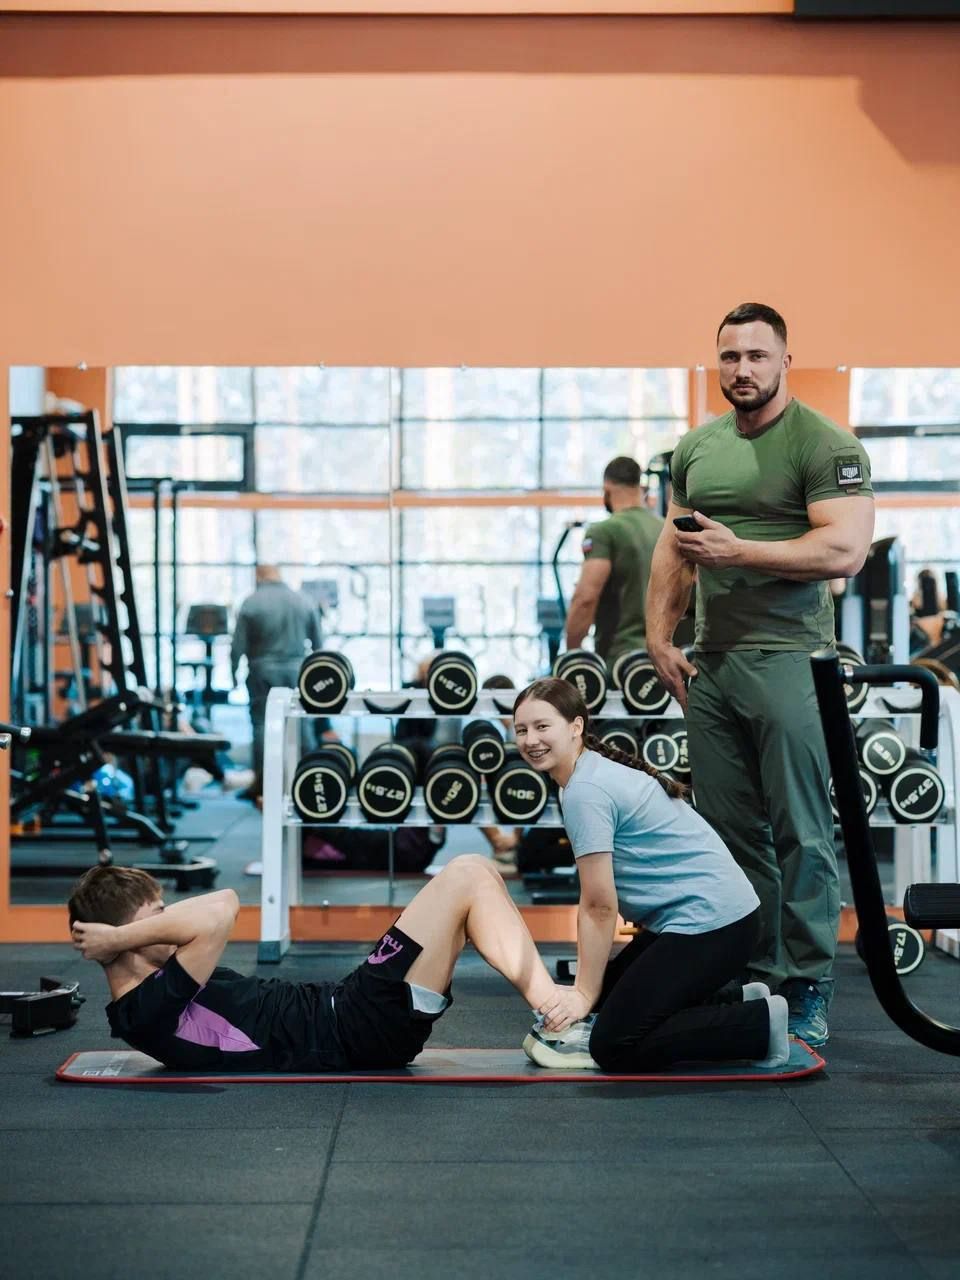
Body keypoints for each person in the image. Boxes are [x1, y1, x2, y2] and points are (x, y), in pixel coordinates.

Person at [645, 301, 875, 1047]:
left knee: (801, 833)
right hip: (712, 665)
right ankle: (757, 973)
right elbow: (674, 546)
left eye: (756, 356)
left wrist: (740, 551)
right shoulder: (696, 449)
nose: (742, 369)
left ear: (783, 361)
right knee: (729, 833)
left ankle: (808, 983)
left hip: (792, 660)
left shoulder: (824, 444)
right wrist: (658, 636)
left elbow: (845, 551)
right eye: (730, 356)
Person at [512, 678, 788, 1073]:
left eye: (542, 726)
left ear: (575, 727)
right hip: (709, 920)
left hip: (715, 926)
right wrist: (589, 994)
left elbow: (598, 906)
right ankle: (738, 1000)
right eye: (521, 730)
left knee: (613, 1044)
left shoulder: (585, 790)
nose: (531, 740)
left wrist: (582, 993)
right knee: (607, 1003)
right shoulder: (582, 776)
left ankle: (759, 1024)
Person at [68, 857, 566, 1073]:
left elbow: (222, 901)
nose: (169, 922)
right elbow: (221, 912)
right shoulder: (148, 1006)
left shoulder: (156, 986)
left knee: (478, 874)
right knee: (466, 875)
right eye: (156, 917)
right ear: (124, 935)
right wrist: (118, 938)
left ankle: (555, 1017)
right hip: (351, 1027)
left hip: (350, 1012)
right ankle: (560, 1021)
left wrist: (122, 935)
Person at [230, 565, 324, 803]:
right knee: (302, 723)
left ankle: (262, 787)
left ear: (259, 576)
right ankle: (311, 782)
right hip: (297, 670)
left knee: (263, 725)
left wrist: (233, 674)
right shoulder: (303, 600)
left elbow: (238, 645)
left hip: (263, 671)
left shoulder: (251, 603)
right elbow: (319, 645)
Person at [564, 456, 664, 662]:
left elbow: (585, 599)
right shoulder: (666, 529)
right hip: (664, 658)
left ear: (607, 488)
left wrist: (571, 654)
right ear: (639, 487)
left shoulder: (603, 531)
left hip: (621, 660)